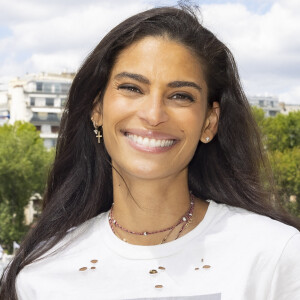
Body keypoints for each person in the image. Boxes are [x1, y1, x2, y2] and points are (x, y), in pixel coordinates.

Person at [1, 5, 300, 300]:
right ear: (97, 108)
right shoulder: (39, 277)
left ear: (209, 122)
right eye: (132, 88)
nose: (153, 114)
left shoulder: (277, 257)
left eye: (180, 96)